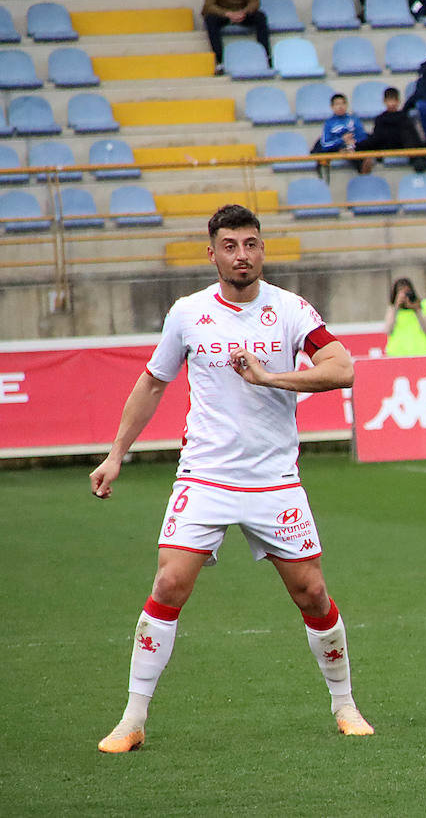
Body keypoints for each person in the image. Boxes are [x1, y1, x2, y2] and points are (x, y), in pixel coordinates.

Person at [90, 204, 372, 753]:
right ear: (212, 252)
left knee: (312, 593)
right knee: (169, 584)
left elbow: (343, 369)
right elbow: (152, 383)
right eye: (230, 246)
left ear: (262, 249)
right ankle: (132, 719)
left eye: (251, 244)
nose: (242, 255)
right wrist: (116, 453)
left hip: (274, 481)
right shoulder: (189, 313)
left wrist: (271, 377)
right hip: (206, 476)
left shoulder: (291, 310)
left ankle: (345, 705)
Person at [357, 86, 426, 172]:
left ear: (398, 101)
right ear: (384, 101)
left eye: (394, 100)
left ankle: (417, 159)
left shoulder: (404, 117)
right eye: (389, 100)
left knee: (409, 135)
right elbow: (376, 138)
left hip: (404, 147)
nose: (392, 103)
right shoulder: (380, 119)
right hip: (384, 147)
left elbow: (413, 137)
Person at [311, 93, 370, 173]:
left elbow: (363, 136)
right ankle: (361, 168)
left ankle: (364, 164)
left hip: (354, 146)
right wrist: (342, 140)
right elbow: (325, 144)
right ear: (332, 107)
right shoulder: (329, 123)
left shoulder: (353, 119)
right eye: (337, 104)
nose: (340, 106)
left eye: (343, 103)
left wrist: (352, 141)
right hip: (337, 148)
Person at [384, 276, 426, 356]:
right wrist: (396, 307)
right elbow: (388, 330)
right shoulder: (393, 309)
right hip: (398, 354)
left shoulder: (425, 305)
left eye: (407, 293)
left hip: (424, 353)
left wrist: (417, 310)